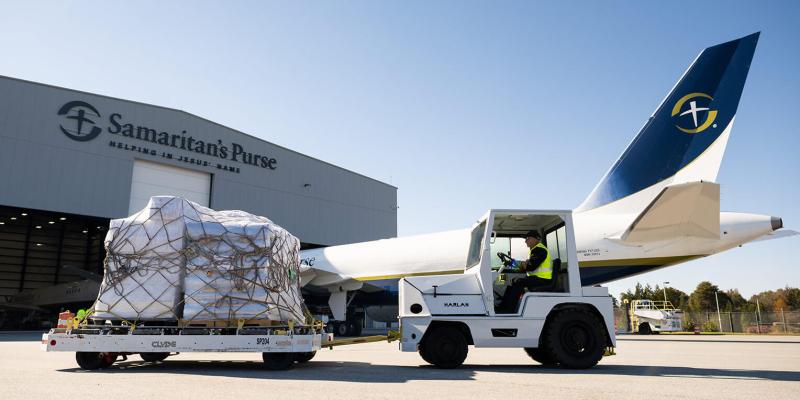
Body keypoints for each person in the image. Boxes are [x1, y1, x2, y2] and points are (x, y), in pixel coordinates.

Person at [497, 230, 553, 313]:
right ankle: (503, 305)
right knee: (512, 281)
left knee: (518, 282)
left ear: (536, 239)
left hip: (543, 279)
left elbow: (530, 267)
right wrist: (512, 263)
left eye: (527, 238)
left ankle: (509, 309)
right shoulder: (533, 250)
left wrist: (524, 264)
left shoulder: (540, 250)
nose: (525, 241)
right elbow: (525, 266)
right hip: (535, 278)